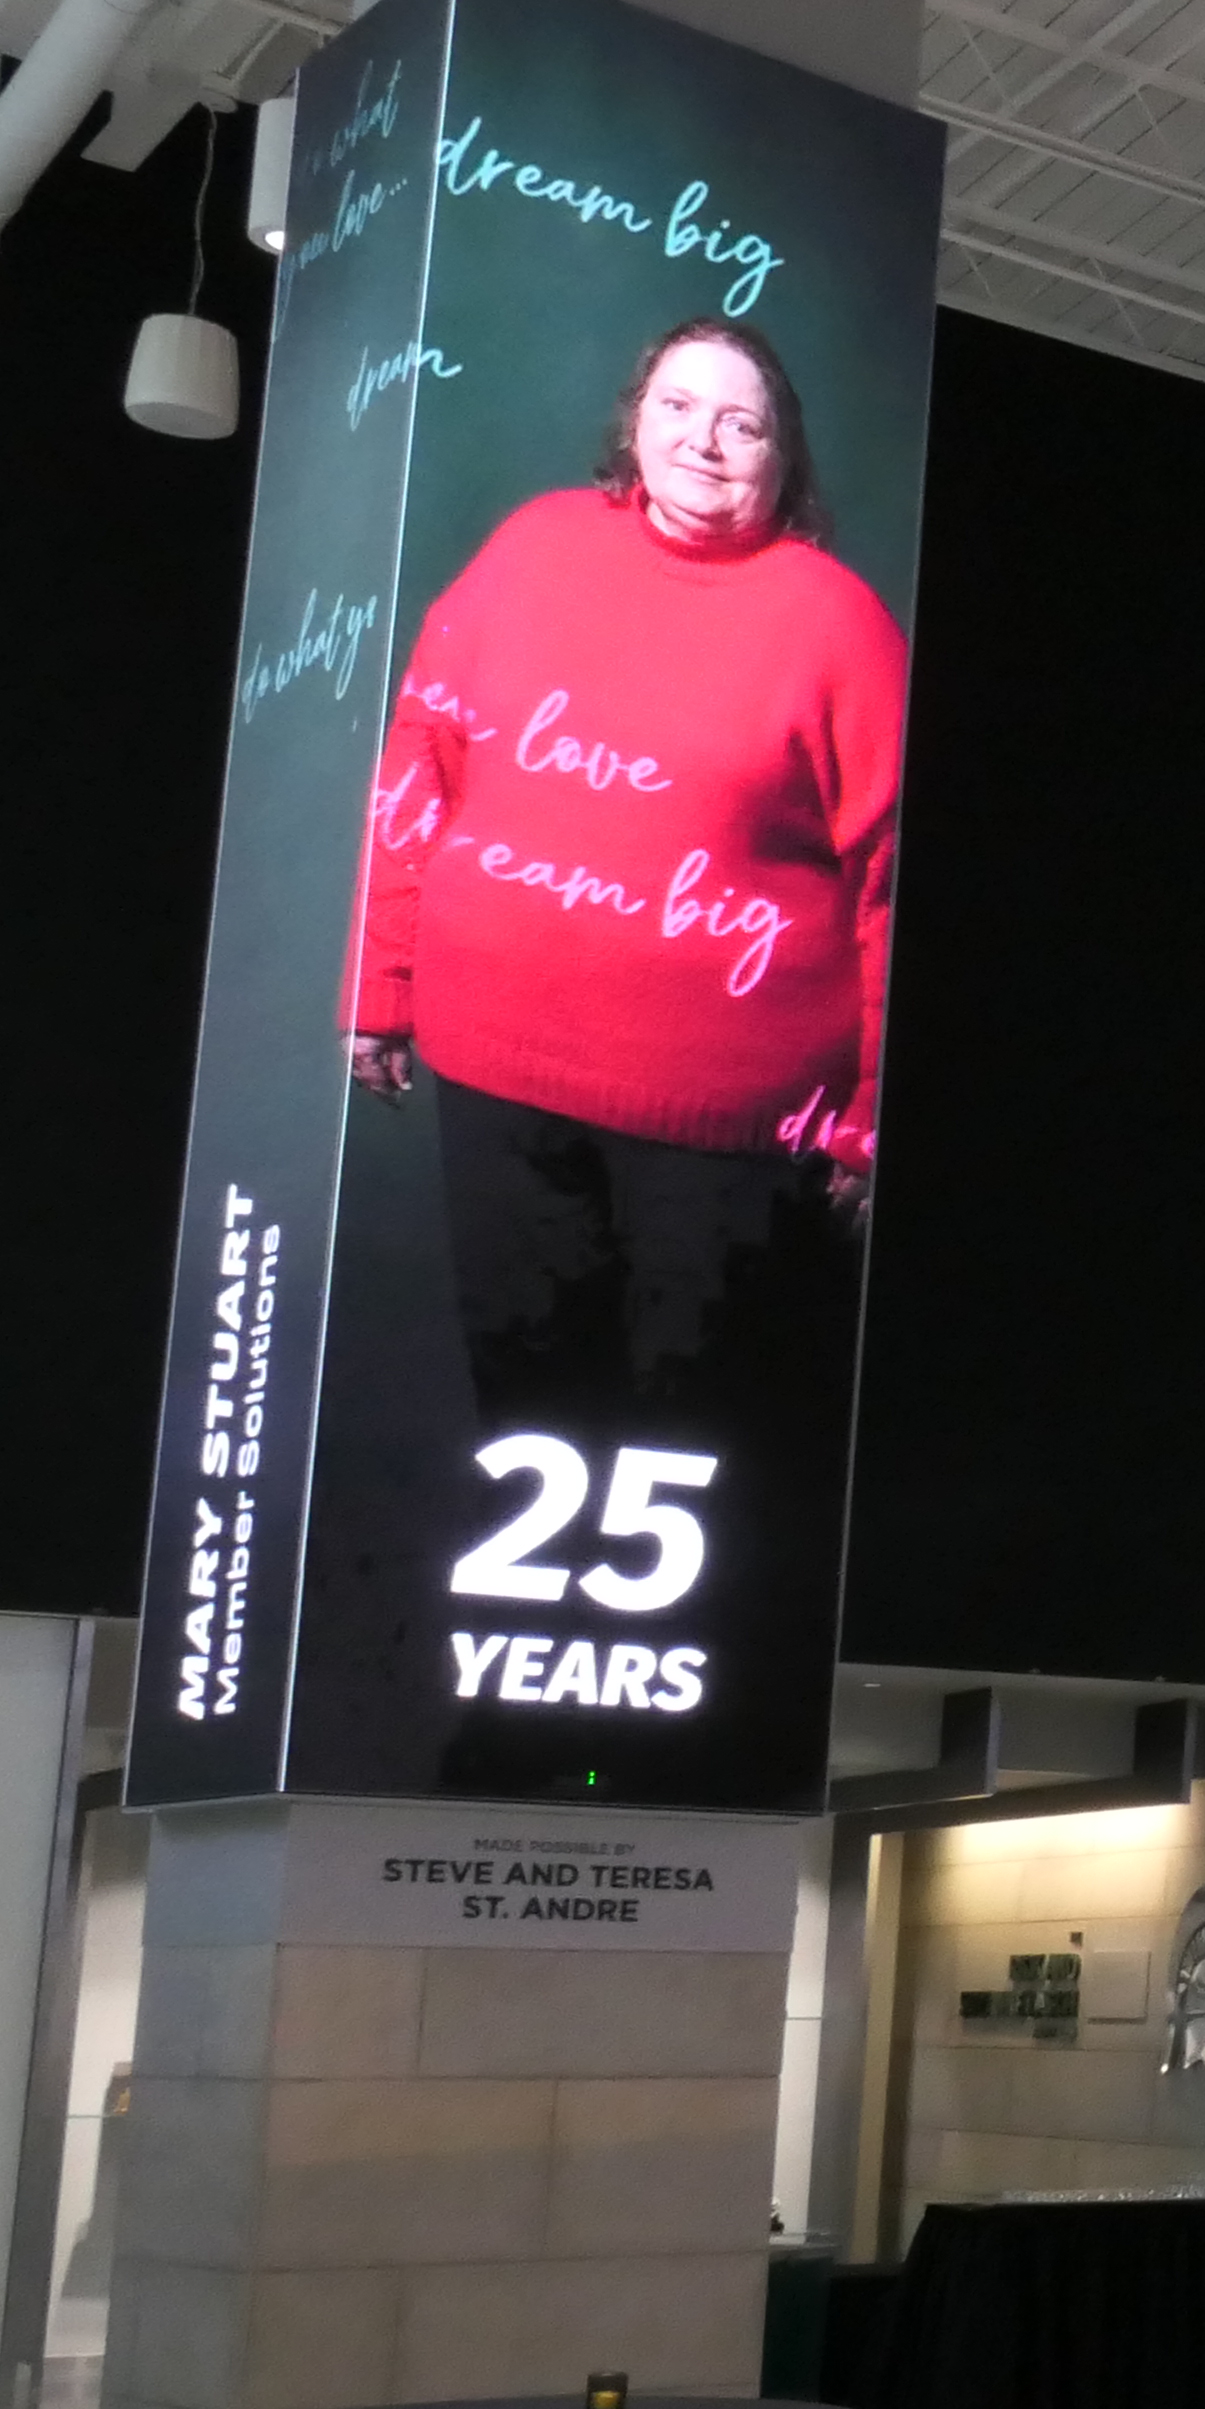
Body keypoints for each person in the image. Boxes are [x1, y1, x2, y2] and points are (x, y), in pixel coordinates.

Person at [335, 313, 904, 1751]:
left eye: (744, 421)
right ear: (633, 421)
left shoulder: (833, 618)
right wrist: (378, 981)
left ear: (785, 455)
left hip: (726, 1124)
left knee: (692, 1433)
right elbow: (424, 751)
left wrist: (873, 1110)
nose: (707, 441)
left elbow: (898, 878)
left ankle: (649, 1748)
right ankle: (525, 1722)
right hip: (496, 1067)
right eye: (680, 407)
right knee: (528, 1395)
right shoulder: (533, 547)